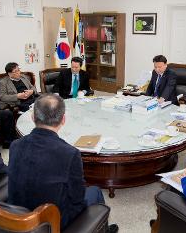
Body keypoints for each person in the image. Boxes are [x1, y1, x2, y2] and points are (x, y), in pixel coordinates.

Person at [8, 94, 118, 232]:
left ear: (32, 117)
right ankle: (102, 228)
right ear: (63, 120)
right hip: (52, 221)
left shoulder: (15, 145)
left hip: (19, 215)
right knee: (95, 191)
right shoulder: (69, 153)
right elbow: (77, 199)